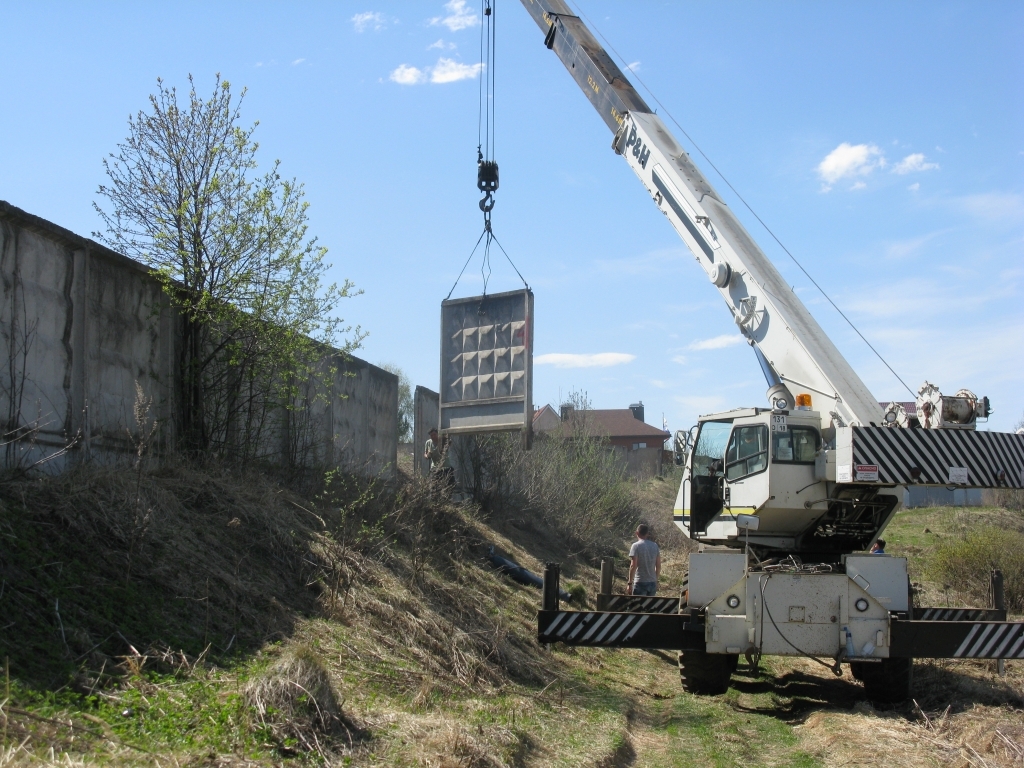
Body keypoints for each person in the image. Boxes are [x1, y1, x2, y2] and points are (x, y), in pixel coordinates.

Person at [627, 524, 661, 596]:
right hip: (652, 583)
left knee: (638, 606)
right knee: (650, 606)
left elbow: (633, 565)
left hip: (640, 582)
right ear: (647, 533)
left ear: (637, 533)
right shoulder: (655, 546)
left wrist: (629, 583)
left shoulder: (636, 546)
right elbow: (658, 566)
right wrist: (655, 580)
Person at [424, 428, 455, 494]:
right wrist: (427, 455)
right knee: (434, 488)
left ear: (437, 434)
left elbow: (450, 442)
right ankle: (435, 501)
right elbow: (425, 454)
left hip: (446, 467)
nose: (433, 437)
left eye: (434, 434)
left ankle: (447, 501)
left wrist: (447, 439)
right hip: (435, 468)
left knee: (450, 486)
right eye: (431, 435)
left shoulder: (442, 440)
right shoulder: (428, 442)